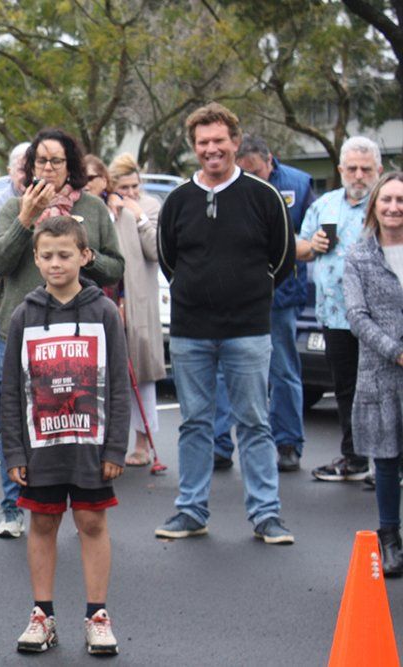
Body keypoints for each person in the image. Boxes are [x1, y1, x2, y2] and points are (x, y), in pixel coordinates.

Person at [155, 103, 296, 544]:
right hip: (191, 332)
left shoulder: (263, 196)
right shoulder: (177, 201)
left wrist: (249, 292)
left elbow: (284, 258)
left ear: (235, 141)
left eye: (219, 141)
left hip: (249, 330)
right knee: (195, 423)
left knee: (255, 423)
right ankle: (191, 511)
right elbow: (167, 259)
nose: (211, 150)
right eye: (203, 143)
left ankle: (267, 516)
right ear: (193, 148)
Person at [0, 127, 124, 540]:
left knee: (71, 416)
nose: (48, 168)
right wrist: (27, 221)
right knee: (11, 418)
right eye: (40, 161)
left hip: (80, 335)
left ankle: (78, 499)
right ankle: (13, 505)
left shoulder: (94, 210)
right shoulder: (15, 207)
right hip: (20, 327)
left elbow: (116, 267)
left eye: (56, 161)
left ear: (72, 167)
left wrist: (81, 254)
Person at [1, 216, 128, 656]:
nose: (56, 264)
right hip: (40, 447)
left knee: (92, 522)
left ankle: (97, 615)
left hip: (91, 446)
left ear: (84, 256)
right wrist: (14, 450)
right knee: (43, 522)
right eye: (47, 256)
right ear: (35, 259)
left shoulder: (104, 312)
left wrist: (115, 446)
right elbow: (12, 389)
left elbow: (119, 384)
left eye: (65, 255)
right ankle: (42, 615)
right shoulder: (24, 315)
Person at [212, 136, 316, 473]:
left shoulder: (299, 185)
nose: (252, 178)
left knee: (283, 370)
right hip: (235, 294)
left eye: (257, 171)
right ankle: (219, 444)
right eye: (246, 173)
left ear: (271, 161)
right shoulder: (227, 184)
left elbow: (311, 239)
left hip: (281, 294)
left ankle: (288, 443)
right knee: (225, 369)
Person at [297, 136, 384, 483]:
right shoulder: (325, 205)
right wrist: (312, 244)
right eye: (352, 168)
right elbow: (298, 247)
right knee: (346, 387)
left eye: (366, 169)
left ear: (378, 170)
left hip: (381, 317)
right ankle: (355, 458)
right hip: (334, 314)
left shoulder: (388, 203)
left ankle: (391, 464)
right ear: (340, 170)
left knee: (384, 389)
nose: (359, 175)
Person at [343, 172, 403, 577]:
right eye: (387, 201)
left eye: (401, 200)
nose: (394, 208)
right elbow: (355, 316)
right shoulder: (358, 256)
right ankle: (390, 539)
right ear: (374, 207)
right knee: (386, 459)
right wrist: (395, 351)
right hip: (380, 372)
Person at [106, 153, 166, 467]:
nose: (130, 192)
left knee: (143, 374)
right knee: (109, 374)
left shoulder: (151, 206)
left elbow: (156, 250)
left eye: (134, 185)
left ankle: (143, 442)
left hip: (141, 302)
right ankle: (110, 442)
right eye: (123, 186)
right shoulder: (106, 208)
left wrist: (139, 216)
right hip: (111, 299)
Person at [0, 142, 30, 244]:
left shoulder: (49, 199)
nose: (27, 176)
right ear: (10, 172)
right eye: (22, 170)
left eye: (31, 169)